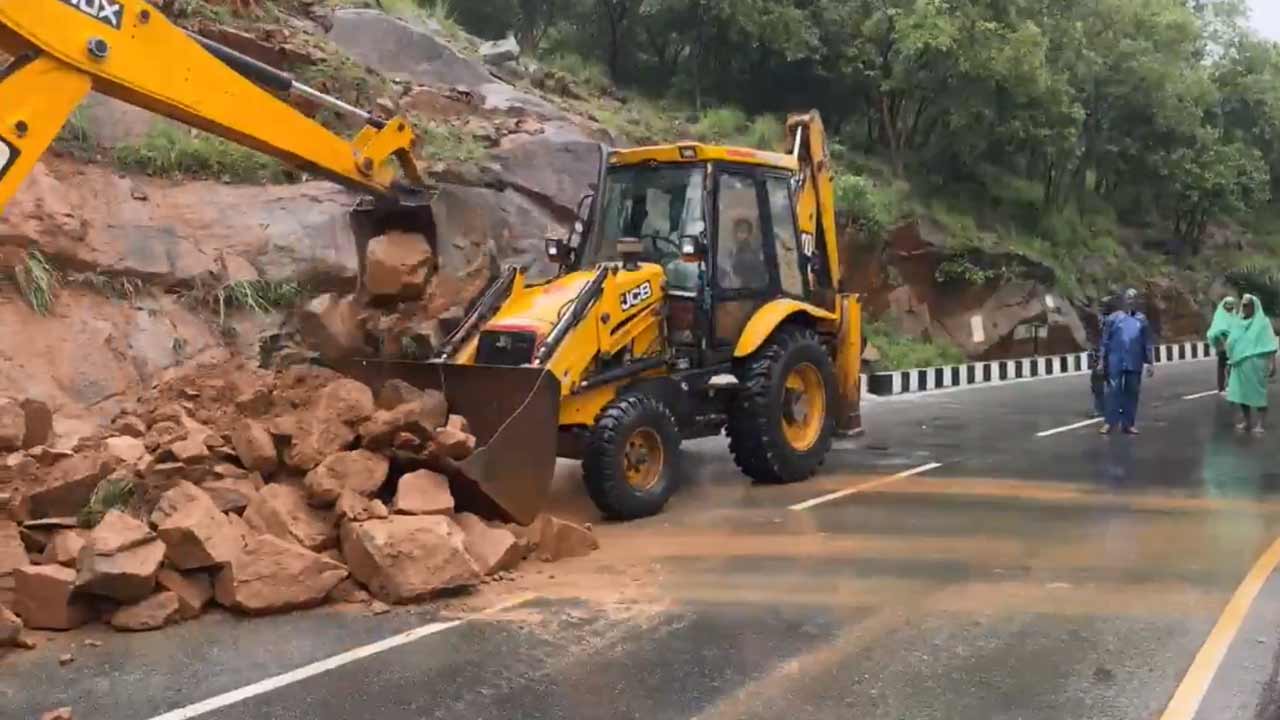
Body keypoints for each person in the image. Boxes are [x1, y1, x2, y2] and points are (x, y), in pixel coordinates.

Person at [1100, 288, 1154, 435]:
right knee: (1113, 391)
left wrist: (1150, 362)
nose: (1131, 301)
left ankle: (1128, 424)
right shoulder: (1113, 318)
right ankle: (1109, 423)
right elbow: (1104, 341)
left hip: (1134, 361)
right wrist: (1101, 360)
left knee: (1132, 392)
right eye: (1128, 298)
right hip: (1115, 360)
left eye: (1133, 298)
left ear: (1137, 301)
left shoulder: (1141, 320)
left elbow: (1147, 342)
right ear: (1123, 300)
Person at [1224, 294, 1278, 434]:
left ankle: (1260, 423)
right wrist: (1230, 361)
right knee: (1241, 394)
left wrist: (1273, 363)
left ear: (1255, 306)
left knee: (1257, 392)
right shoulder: (1238, 322)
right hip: (1239, 362)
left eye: (1248, 305)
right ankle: (1247, 421)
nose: (1245, 307)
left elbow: (1270, 344)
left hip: (1257, 363)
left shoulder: (1262, 322)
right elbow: (1232, 342)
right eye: (1243, 304)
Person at [1206, 296, 1240, 394]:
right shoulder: (1220, 315)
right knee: (1222, 366)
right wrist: (1224, 343)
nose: (1230, 307)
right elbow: (1217, 330)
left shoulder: (1233, 316)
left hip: (1232, 345)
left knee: (1232, 366)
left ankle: (1232, 386)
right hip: (1222, 344)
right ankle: (1221, 388)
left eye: (1231, 305)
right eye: (1228, 304)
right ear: (1224, 305)